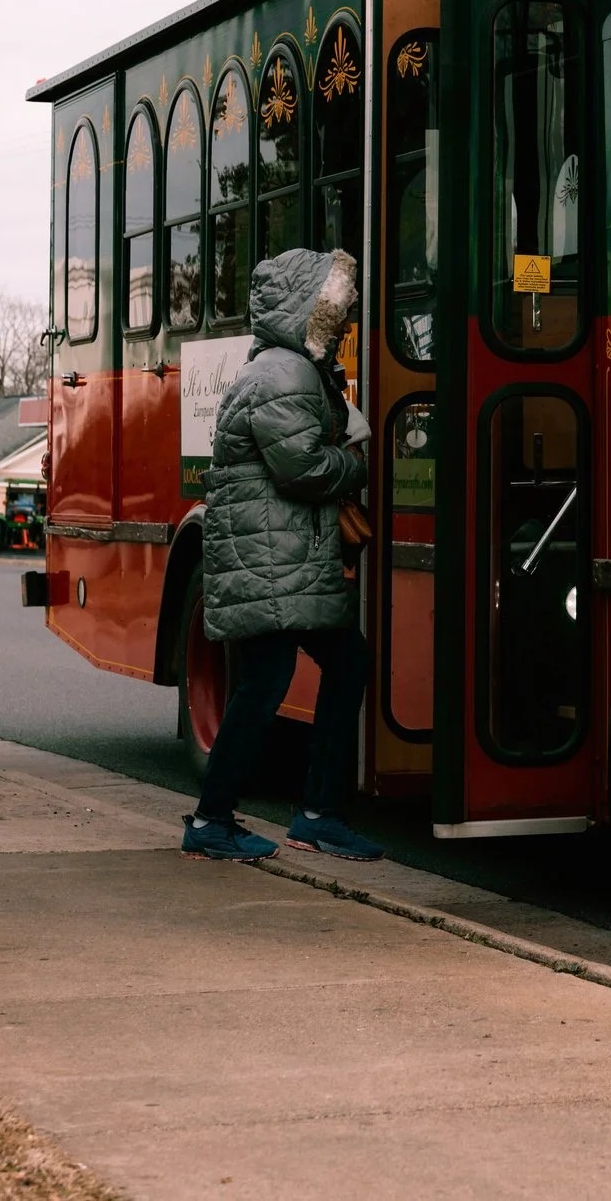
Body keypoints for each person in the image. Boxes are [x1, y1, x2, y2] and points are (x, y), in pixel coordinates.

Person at [181, 247, 385, 863]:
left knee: (326, 667)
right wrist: (352, 465)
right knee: (275, 681)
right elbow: (300, 468)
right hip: (270, 561)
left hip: (280, 559)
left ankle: (305, 815)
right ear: (305, 310)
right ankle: (221, 820)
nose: (344, 321)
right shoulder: (285, 375)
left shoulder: (286, 369)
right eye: (334, 310)